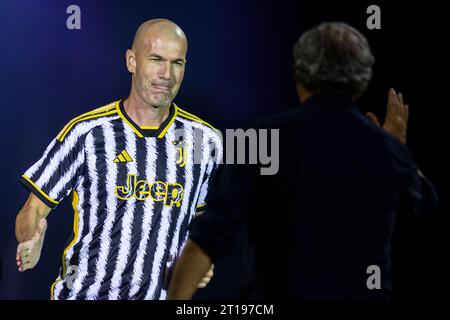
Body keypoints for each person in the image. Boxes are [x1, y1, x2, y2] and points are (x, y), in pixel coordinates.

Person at [167, 22, 439, 300]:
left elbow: (208, 239)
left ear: (299, 74)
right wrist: (399, 148)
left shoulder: (257, 139)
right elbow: (425, 208)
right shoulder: (386, 149)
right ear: (362, 79)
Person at [15, 19, 221, 300]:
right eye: (156, 59)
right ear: (132, 61)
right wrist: (30, 239)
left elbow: (203, 218)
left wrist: (199, 257)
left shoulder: (204, 141)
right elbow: (33, 210)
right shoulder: (88, 133)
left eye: (177, 63)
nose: (167, 74)